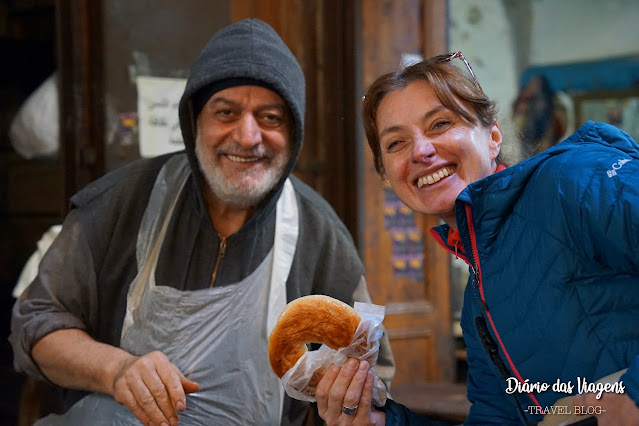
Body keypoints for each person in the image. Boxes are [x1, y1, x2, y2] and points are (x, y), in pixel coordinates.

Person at [10, 18, 395, 426]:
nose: (248, 137)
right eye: (225, 112)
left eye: (270, 117)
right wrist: (115, 369)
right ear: (195, 121)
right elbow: (38, 323)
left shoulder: (320, 234)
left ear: (294, 131)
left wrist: (354, 404)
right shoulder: (122, 201)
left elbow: (373, 372)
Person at [315, 52, 639, 425]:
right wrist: (382, 422)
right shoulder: (478, 301)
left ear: (492, 137)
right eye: (396, 143)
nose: (420, 151)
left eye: (439, 123)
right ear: (387, 176)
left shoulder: (572, 181)